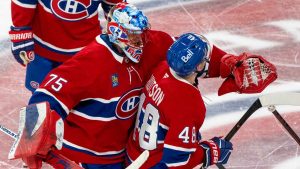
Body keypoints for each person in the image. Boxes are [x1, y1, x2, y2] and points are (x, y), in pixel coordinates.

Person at [8, 2, 277, 169]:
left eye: (142, 35)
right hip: (90, 156)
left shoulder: (150, 44)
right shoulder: (91, 63)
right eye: (135, 38)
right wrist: (33, 139)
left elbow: (185, 49)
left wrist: (227, 64)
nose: (142, 42)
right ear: (118, 37)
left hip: (125, 151)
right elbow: (45, 95)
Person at [125, 33, 277, 168]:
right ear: (197, 66)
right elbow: (177, 161)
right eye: (205, 57)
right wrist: (208, 153)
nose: (208, 58)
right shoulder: (188, 102)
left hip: (134, 155)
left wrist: (227, 64)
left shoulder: (162, 67)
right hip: (154, 164)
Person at [9, 0, 125, 92]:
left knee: (82, 100)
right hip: (42, 50)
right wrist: (20, 30)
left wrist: (121, 31)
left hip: (85, 53)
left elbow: (114, 6)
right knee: (41, 102)